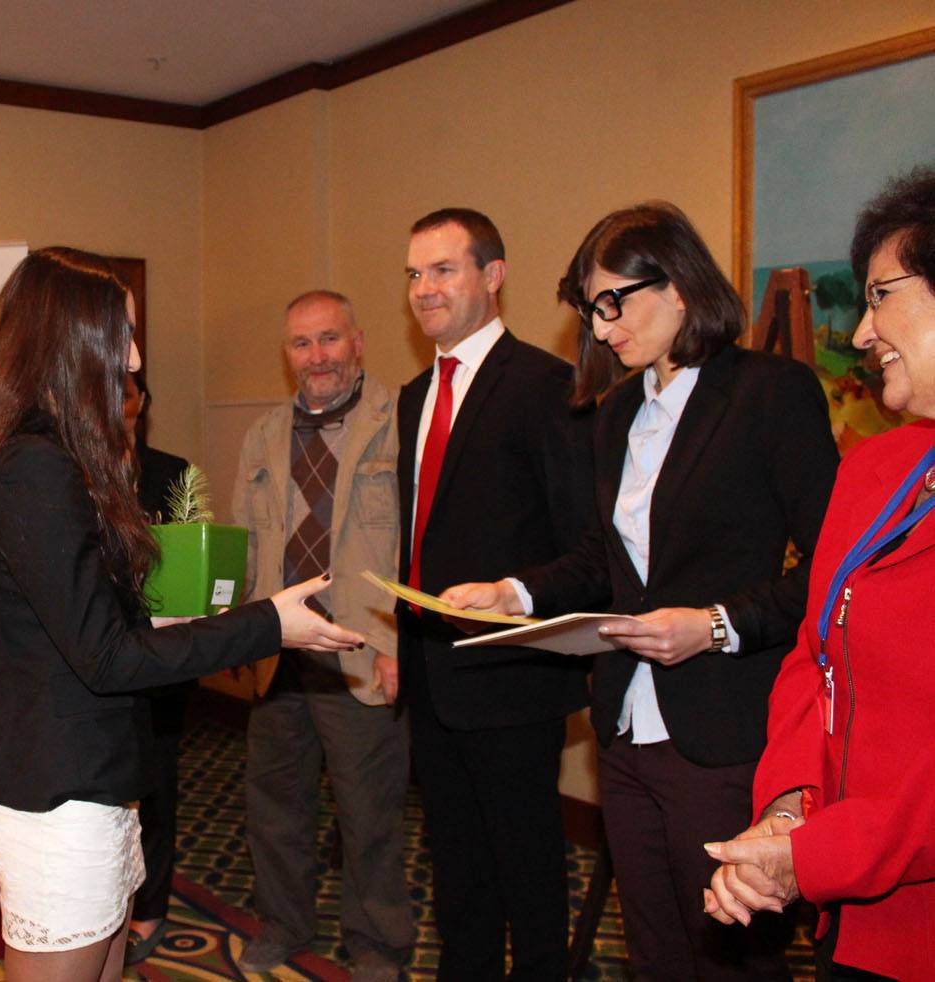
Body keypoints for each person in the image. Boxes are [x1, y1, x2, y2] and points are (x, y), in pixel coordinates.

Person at [0, 247, 364, 982]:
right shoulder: (35, 467)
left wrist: (209, 623)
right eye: (120, 335)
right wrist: (266, 625)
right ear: (69, 340)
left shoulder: (53, 458)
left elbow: (96, 633)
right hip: (62, 800)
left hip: (92, 788)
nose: (132, 359)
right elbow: (107, 659)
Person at [440, 202, 838, 980]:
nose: (602, 327)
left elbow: (834, 568)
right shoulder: (618, 410)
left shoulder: (769, 392)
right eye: (591, 310)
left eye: (614, 302)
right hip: (626, 723)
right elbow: (608, 558)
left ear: (680, 285)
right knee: (654, 950)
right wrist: (515, 592)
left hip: (722, 725)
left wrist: (716, 625)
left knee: (732, 956)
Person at [705, 165, 935, 981]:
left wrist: (814, 856)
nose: (863, 332)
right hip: (848, 909)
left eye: (881, 296)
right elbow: (816, 653)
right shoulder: (875, 471)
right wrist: (787, 807)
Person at [397, 208, 594, 980]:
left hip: (512, 677)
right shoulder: (414, 396)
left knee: (529, 872)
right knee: (456, 874)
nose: (425, 288)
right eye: (414, 274)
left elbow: (586, 543)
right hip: (430, 674)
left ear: (493, 275)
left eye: (443, 270)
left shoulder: (547, 386)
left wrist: (517, 593)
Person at [231, 290, 415, 980]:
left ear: (358, 342)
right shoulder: (262, 435)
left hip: (361, 649)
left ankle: (378, 942)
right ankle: (284, 922)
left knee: (370, 811)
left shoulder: (399, 424)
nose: (318, 357)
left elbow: (414, 547)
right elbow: (248, 545)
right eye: (302, 344)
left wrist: (397, 644)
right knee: (275, 804)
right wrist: (239, 634)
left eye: (330, 339)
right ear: (288, 355)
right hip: (280, 651)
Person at [119, 370, 192, 965]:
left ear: (143, 400)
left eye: (126, 389)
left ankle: (150, 905)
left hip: (162, 656)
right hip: (98, 656)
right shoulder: (74, 470)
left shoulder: (174, 473)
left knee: (157, 787)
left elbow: (195, 562)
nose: (117, 400)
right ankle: (111, 904)